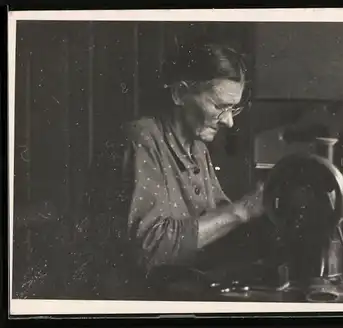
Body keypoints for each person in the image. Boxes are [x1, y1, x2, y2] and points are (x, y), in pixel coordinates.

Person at [82, 43, 266, 298]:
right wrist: (243, 210)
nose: (228, 121)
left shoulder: (196, 146)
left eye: (233, 108)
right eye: (219, 106)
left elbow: (216, 217)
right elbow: (151, 248)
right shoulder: (140, 141)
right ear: (180, 94)